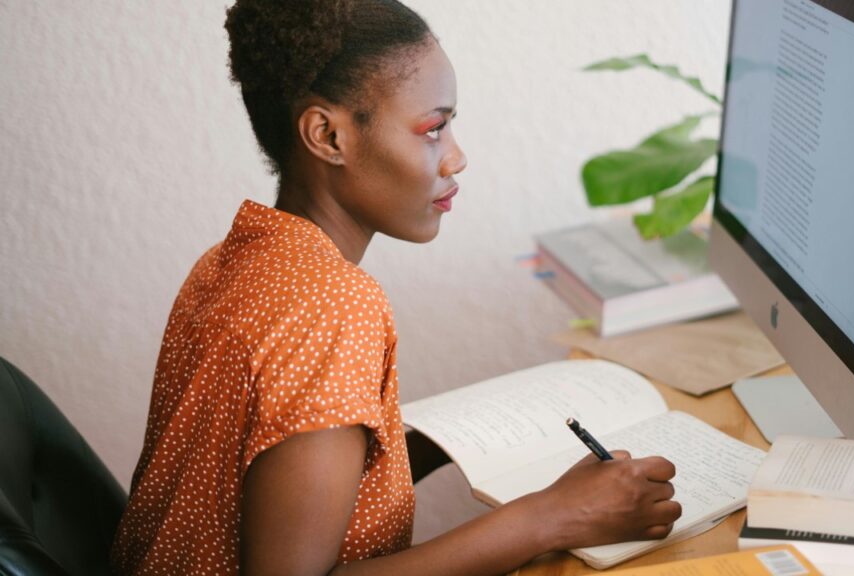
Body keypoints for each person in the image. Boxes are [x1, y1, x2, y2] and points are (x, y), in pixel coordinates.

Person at [110, 1, 682, 574]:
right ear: (328, 135)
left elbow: (258, 470)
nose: (457, 157)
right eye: (434, 129)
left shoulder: (233, 260)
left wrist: (434, 447)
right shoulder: (334, 305)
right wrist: (556, 517)